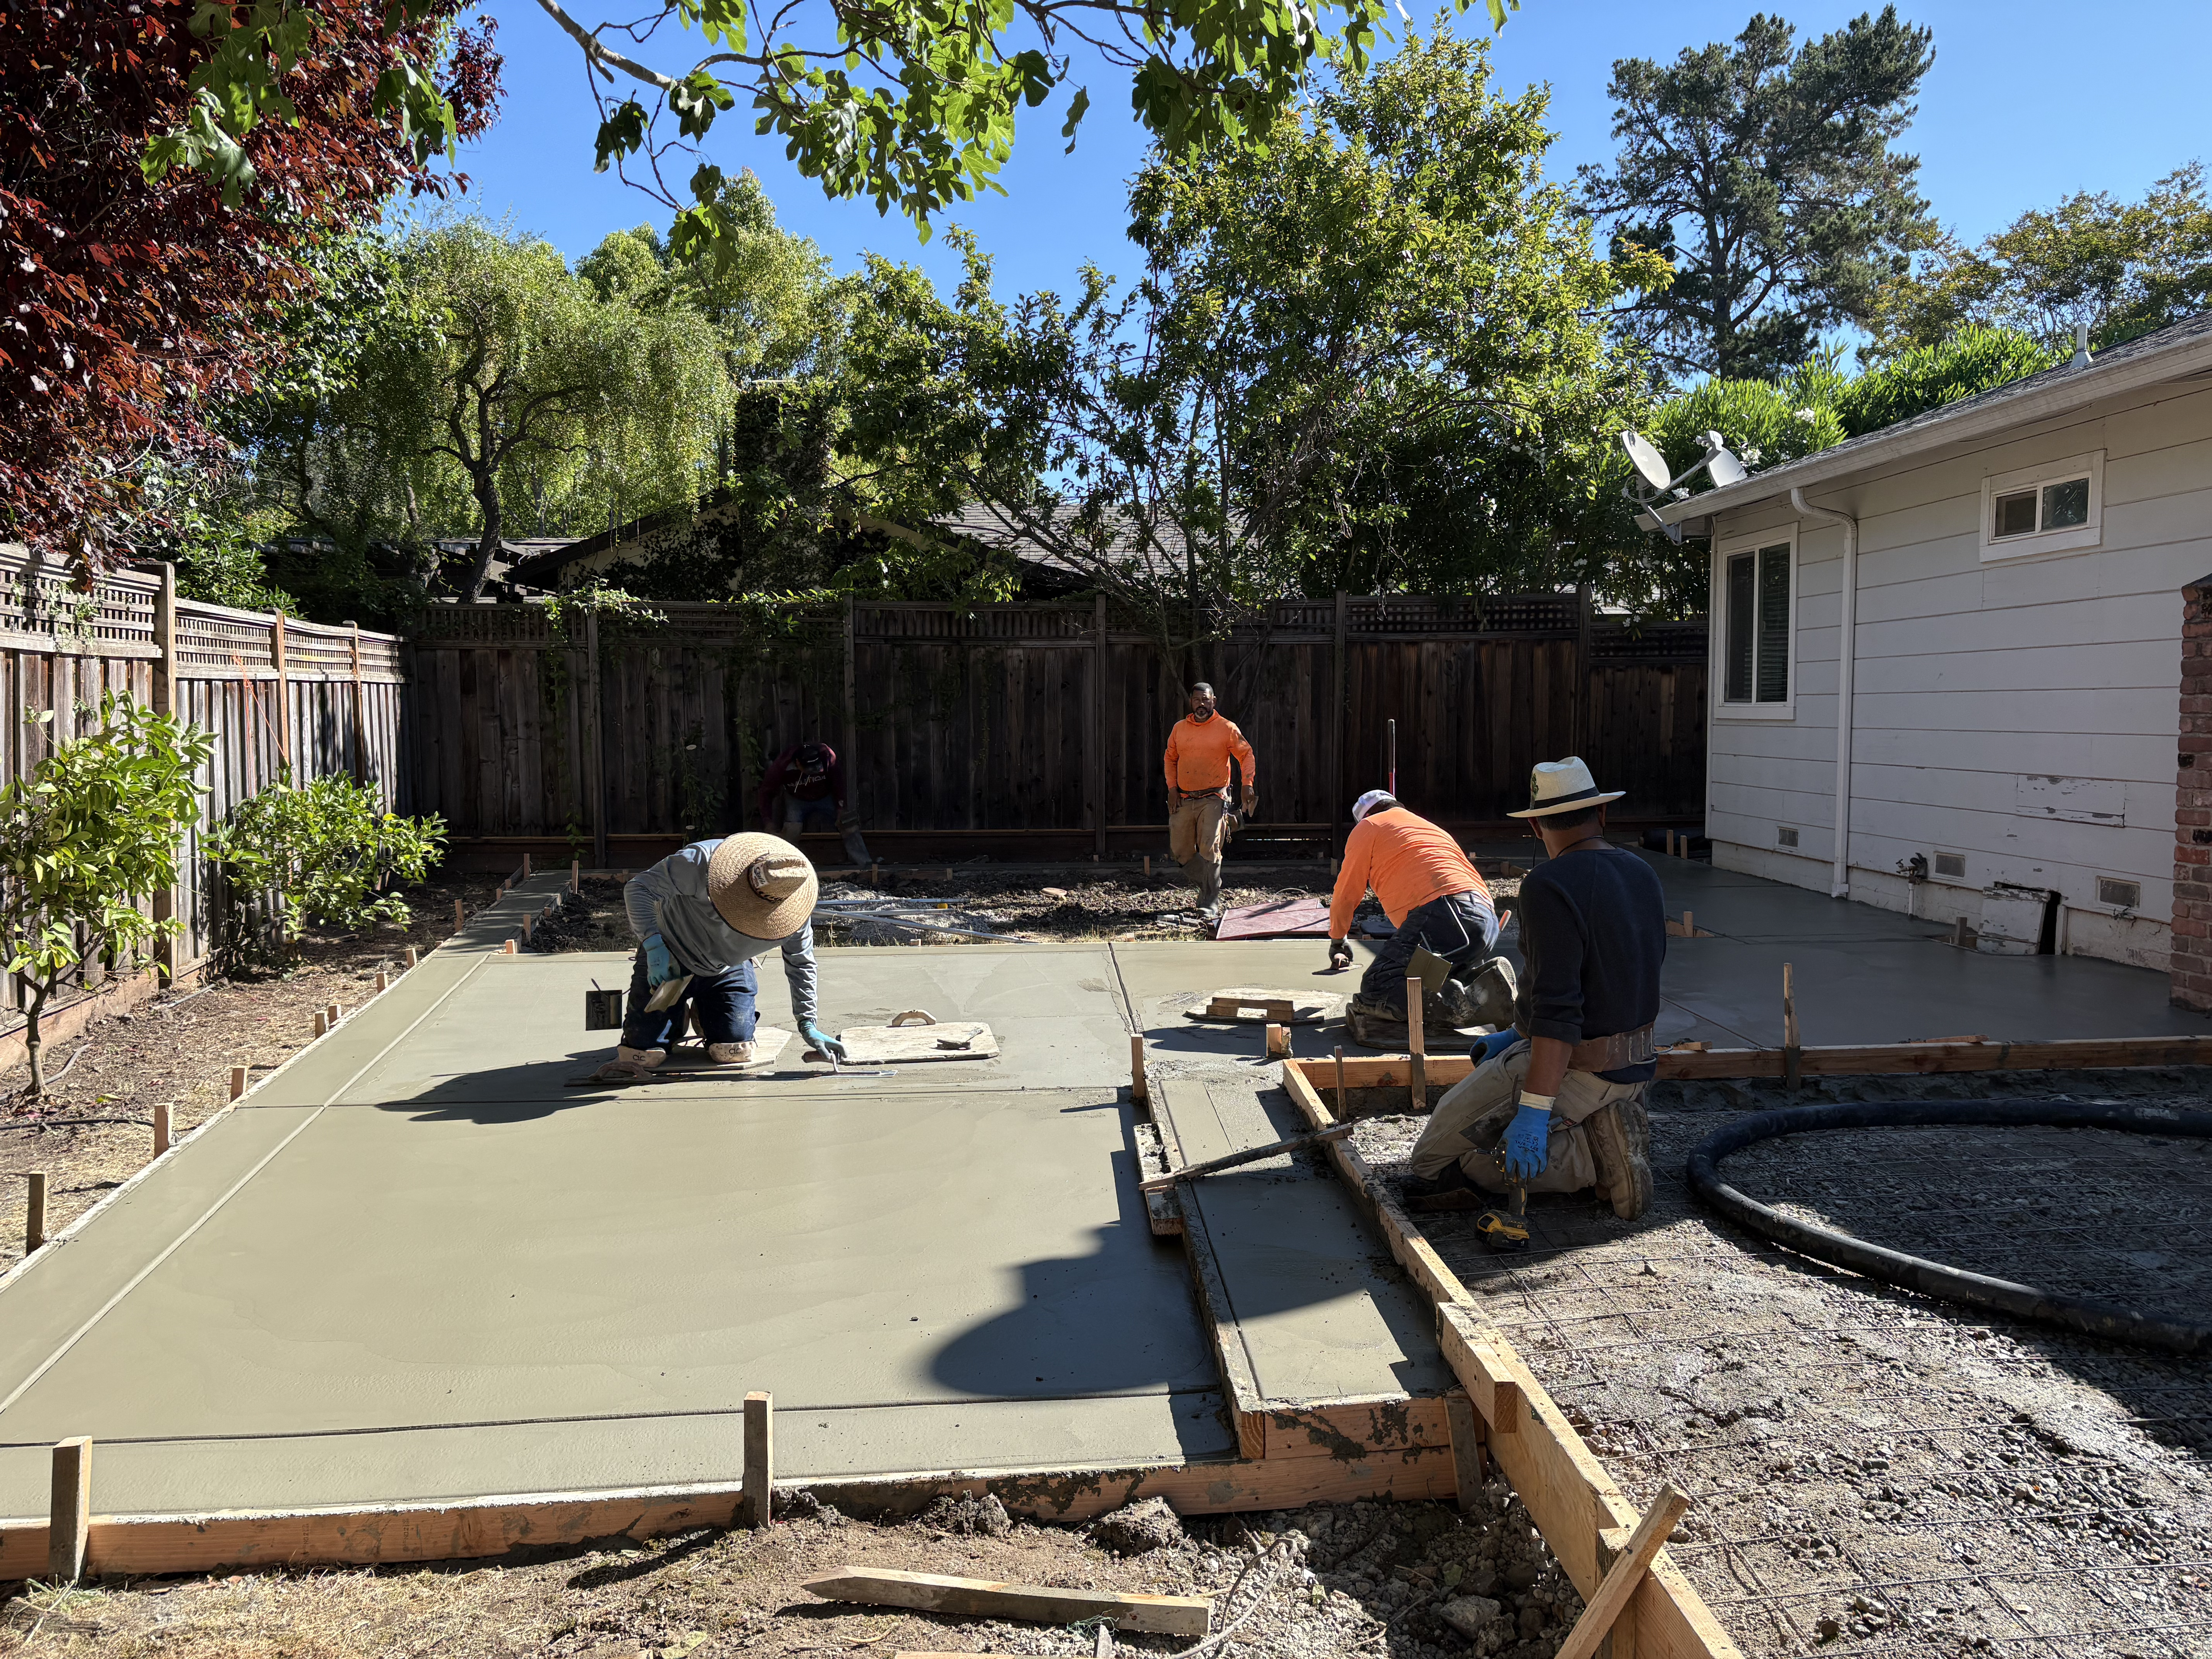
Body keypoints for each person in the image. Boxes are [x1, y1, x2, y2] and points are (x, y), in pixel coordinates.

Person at [1400, 758, 1662, 1222]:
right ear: (1601, 815)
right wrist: (1517, 1032)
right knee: (1489, 1130)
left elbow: (1560, 1011)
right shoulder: (1641, 873)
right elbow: (1621, 977)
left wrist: (1535, 1111)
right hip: (1637, 1068)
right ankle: (1606, 1132)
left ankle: (1593, 1161)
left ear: (1537, 827)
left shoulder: (1548, 885)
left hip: (1575, 1066)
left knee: (1440, 1165)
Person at [615, 832, 848, 1072]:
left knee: (733, 1053)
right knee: (641, 1055)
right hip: (668, 956)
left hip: (726, 968)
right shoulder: (700, 861)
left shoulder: (792, 913)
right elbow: (639, 889)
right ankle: (674, 1016)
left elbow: (801, 964)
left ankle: (706, 1014)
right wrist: (654, 945)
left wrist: (807, 1023)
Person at [1326, 790, 1515, 1030]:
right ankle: (1486, 981)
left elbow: (1346, 892)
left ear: (1365, 817)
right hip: (1485, 919)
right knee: (1423, 980)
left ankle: (1477, 1009)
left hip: (1446, 913)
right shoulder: (1429, 828)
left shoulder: (1369, 827)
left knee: (1380, 984)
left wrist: (1338, 939)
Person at [1161, 683, 1256, 916]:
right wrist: (1172, 789)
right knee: (1180, 853)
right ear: (1191, 703)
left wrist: (1248, 785)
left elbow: (1246, 755)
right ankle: (1232, 824)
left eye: (1205, 700)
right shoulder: (1179, 729)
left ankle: (1210, 901)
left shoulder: (1226, 728)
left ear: (1214, 701)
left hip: (1214, 797)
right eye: (1196, 700)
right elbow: (1170, 758)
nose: (1201, 705)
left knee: (1209, 848)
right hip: (1184, 797)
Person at [757, 741, 845, 835]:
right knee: (791, 832)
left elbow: (838, 784)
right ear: (798, 763)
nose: (813, 772)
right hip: (796, 799)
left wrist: (841, 808)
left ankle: (859, 850)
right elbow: (766, 793)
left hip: (825, 797)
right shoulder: (782, 766)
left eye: (817, 768)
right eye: (810, 769)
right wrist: (768, 822)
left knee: (848, 826)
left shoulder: (827, 757)